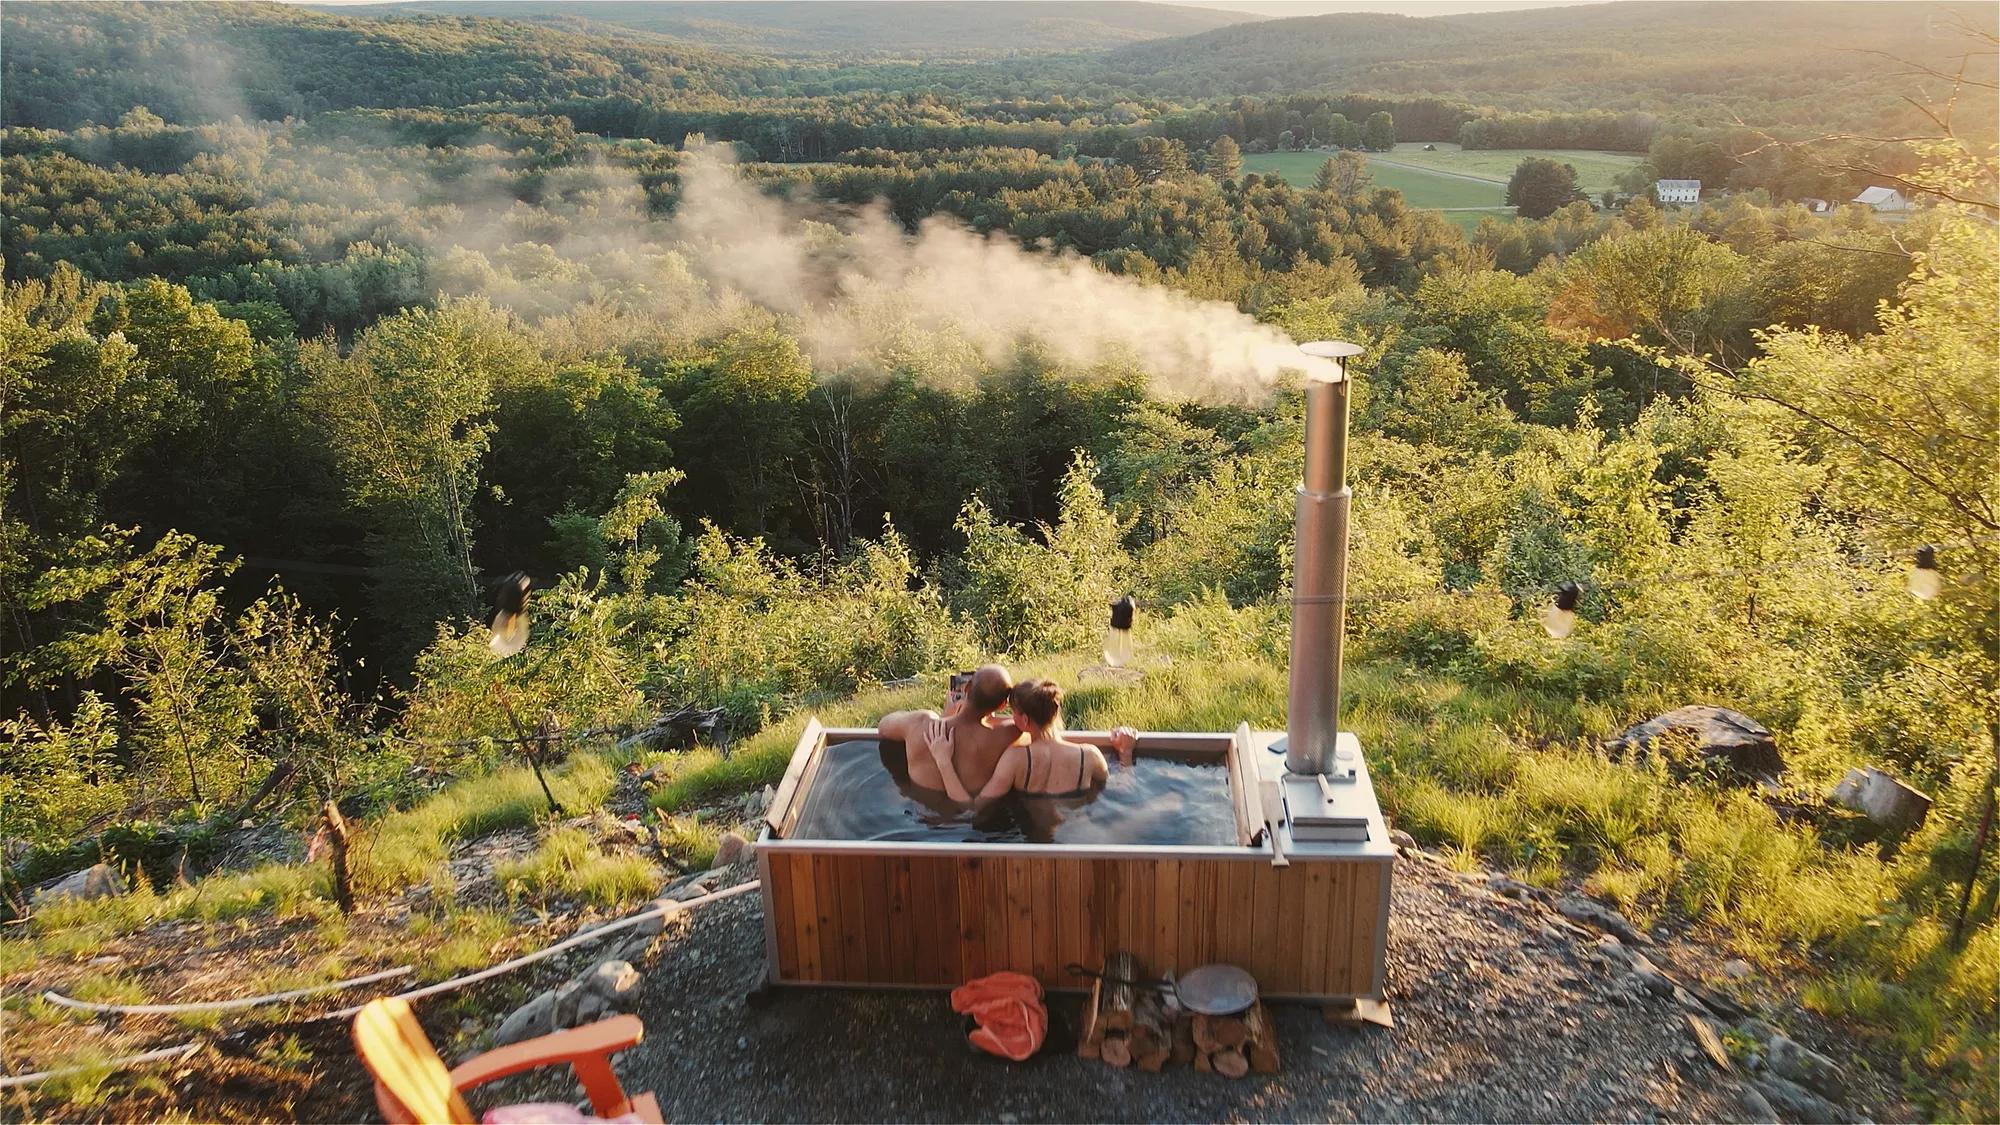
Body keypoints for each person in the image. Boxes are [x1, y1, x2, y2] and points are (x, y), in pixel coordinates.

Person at [972, 678, 1138, 807]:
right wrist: (1126, 753)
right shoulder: (1089, 755)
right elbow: (1122, 791)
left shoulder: (1015, 759)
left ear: (1024, 719)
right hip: (1082, 835)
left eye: (1013, 713)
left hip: (1035, 841)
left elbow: (980, 804)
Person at [876, 664, 1023, 801]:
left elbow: (883, 726)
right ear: (1003, 705)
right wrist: (991, 717)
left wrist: (944, 717)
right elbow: (1029, 723)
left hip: (924, 818)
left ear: (967, 688)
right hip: (970, 819)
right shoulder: (1009, 733)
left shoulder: (919, 724)